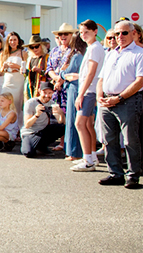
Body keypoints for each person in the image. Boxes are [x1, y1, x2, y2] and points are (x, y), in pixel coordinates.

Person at [96, 20, 143, 189]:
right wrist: (99, 96)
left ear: (133, 33)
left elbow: (140, 81)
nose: (120, 37)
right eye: (117, 34)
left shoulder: (139, 53)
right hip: (107, 101)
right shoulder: (111, 53)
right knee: (109, 140)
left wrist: (120, 98)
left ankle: (133, 175)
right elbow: (101, 78)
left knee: (131, 140)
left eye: (124, 33)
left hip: (128, 101)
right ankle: (115, 173)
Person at [70, 20, 105, 172]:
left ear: (95, 31)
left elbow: (91, 72)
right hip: (88, 89)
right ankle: (91, 157)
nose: (83, 35)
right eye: (82, 32)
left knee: (80, 124)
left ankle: (88, 159)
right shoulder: (92, 47)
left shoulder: (95, 48)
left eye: (87, 32)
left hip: (89, 91)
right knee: (88, 124)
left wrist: (81, 93)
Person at [59, 33, 87, 161]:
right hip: (81, 88)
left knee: (72, 120)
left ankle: (74, 152)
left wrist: (62, 71)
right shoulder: (86, 54)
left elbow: (66, 73)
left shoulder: (77, 56)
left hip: (74, 89)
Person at [20, 82, 65, 158]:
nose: (47, 95)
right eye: (44, 92)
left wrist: (61, 113)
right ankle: (37, 146)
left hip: (42, 131)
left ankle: (41, 146)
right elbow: (27, 125)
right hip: (30, 132)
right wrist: (37, 114)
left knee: (62, 127)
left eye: (50, 93)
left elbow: (61, 122)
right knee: (28, 153)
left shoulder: (52, 103)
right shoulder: (31, 103)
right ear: (39, 91)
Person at [0, 31, 26, 121]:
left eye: (15, 40)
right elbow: (1, 71)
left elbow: (26, 69)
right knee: (5, 101)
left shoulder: (23, 53)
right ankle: (6, 123)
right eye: (11, 40)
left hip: (18, 79)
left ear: (18, 41)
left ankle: (18, 126)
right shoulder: (4, 53)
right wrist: (5, 66)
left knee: (17, 103)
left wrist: (16, 66)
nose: (13, 42)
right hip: (8, 79)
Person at [23, 34, 49, 102]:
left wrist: (41, 71)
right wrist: (24, 71)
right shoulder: (30, 59)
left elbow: (50, 73)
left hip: (42, 88)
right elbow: (26, 75)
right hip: (30, 87)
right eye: (32, 47)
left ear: (41, 46)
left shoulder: (46, 57)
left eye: (36, 47)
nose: (34, 49)